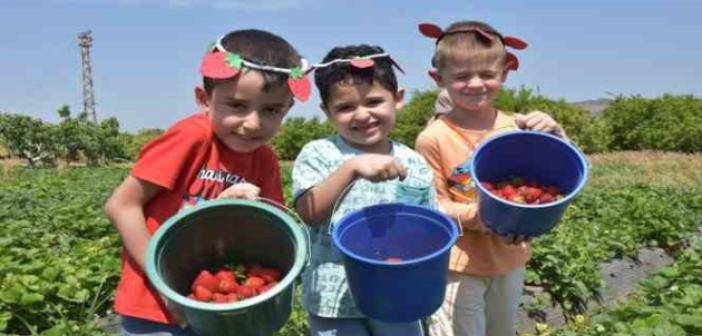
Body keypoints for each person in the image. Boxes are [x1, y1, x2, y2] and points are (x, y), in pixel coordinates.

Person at [104, 28, 311, 335]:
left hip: (223, 311)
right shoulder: (192, 138)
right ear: (204, 99)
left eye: (271, 110)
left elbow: (270, 229)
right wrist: (163, 284)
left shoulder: (264, 159)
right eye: (238, 106)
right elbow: (121, 205)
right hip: (156, 307)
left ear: (288, 109)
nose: (253, 123)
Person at [414, 20, 566, 336]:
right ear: (438, 79)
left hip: (510, 259)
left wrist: (557, 135)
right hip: (458, 265)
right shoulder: (433, 139)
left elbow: (557, 176)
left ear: (504, 74)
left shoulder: (517, 127)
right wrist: (487, 217)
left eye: (487, 74)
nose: (475, 83)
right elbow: (432, 206)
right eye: (461, 76)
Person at [292, 44, 435, 336]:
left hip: (397, 296)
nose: (362, 115)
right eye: (345, 107)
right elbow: (310, 213)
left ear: (398, 99)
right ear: (327, 111)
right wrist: (351, 169)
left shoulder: (414, 162)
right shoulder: (319, 153)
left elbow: (428, 228)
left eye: (373, 102)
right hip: (333, 300)